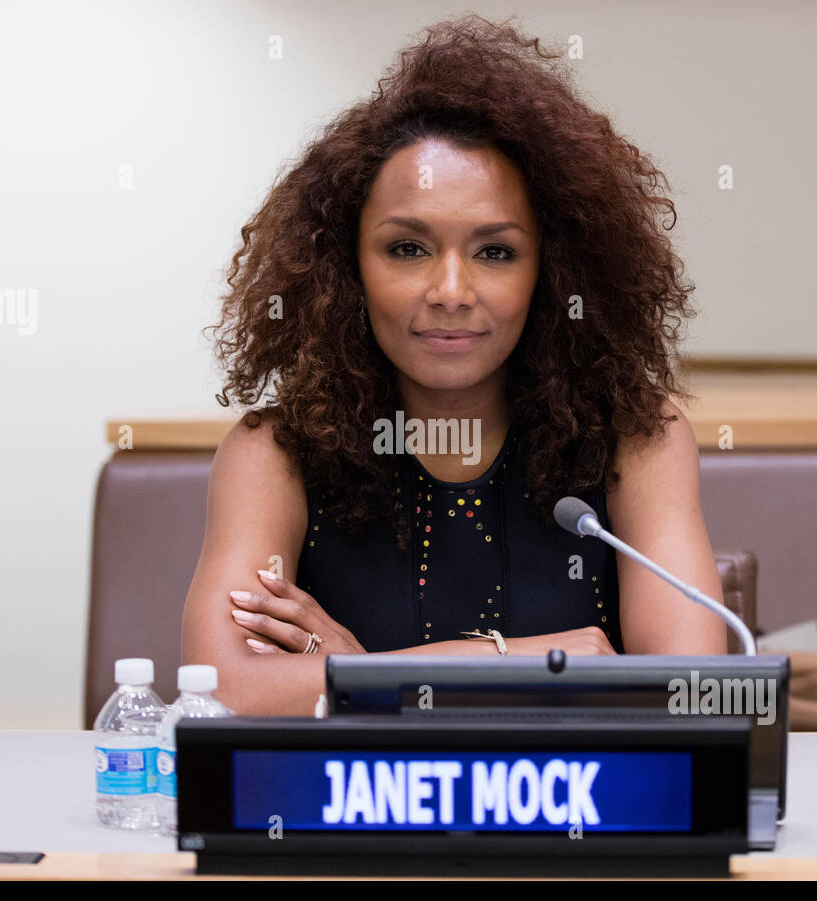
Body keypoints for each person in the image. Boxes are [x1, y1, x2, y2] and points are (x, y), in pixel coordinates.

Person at [182, 15, 727, 716]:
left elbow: (685, 692)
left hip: (571, 816)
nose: (449, 291)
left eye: (495, 251)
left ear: (552, 274)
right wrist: (518, 662)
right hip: (357, 817)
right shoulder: (275, 455)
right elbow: (221, 687)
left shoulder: (636, 437)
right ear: (346, 268)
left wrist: (361, 677)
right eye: (407, 248)